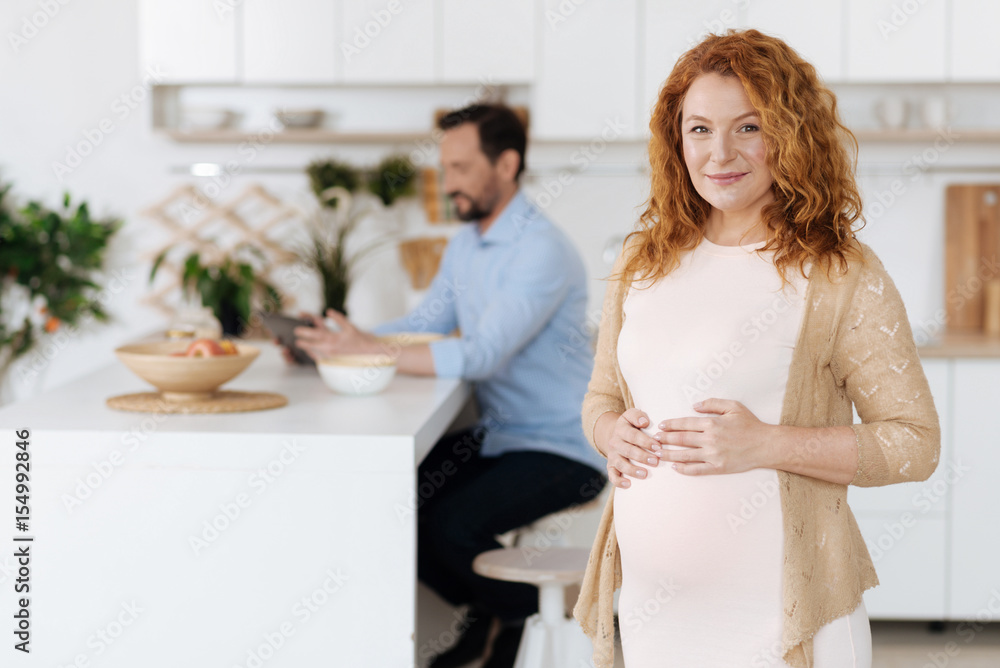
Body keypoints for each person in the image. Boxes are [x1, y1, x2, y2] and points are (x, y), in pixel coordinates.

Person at [571, 30, 940, 668]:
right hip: (658, 615)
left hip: (789, 621)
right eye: (699, 129)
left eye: (748, 128)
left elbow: (915, 443)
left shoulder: (839, 272)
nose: (720, 154)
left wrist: (766, 444)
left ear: (790, 134)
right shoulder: (642, 260)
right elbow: (603, 395)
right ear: (675, 138)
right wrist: (608, 431)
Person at [291, 103, 608, 668]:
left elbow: (481, 354)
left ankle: (545, 623)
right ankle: (498, 615)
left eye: (461, 167)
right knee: (392, 506)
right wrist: (341, 336)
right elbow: (422, 327)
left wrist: (366, 350)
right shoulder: (467, 242)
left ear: (506, 164)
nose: (448, 183)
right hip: (501, 439)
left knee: (452, 525)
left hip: (565, 445)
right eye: (445, 167)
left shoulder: (540, 249)